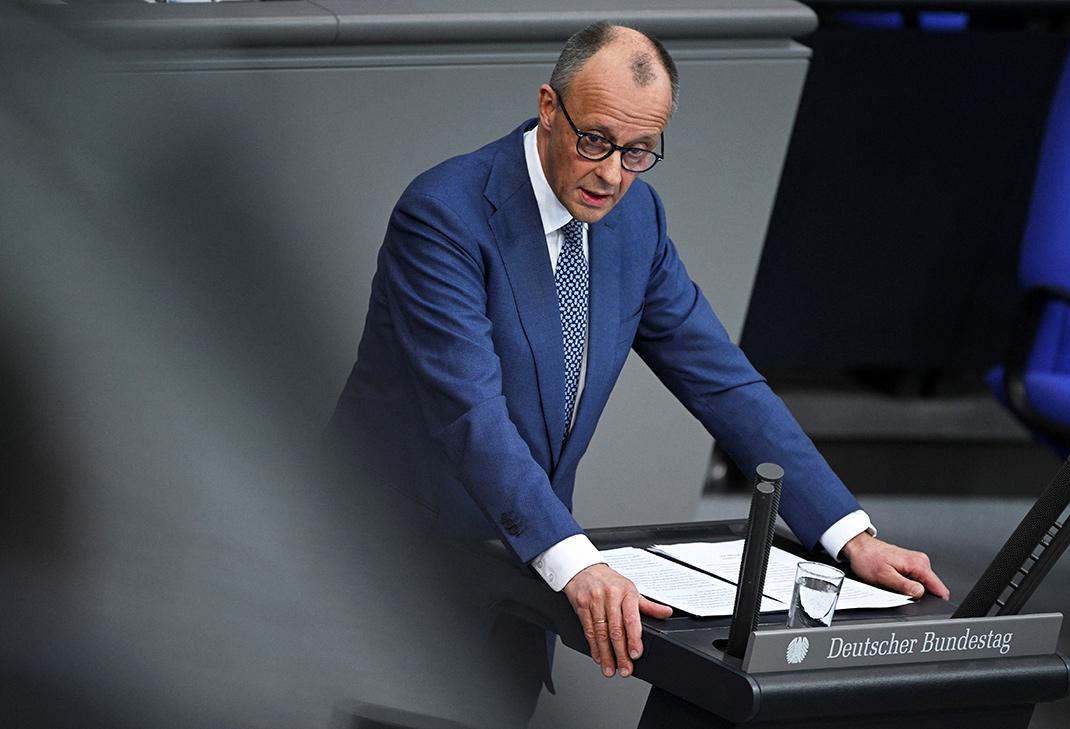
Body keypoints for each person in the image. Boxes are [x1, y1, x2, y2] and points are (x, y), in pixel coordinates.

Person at [331, 19, 948, 700]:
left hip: (519, 576)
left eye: (637, 151)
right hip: (384, 566)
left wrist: (848, 533)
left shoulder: (636, 220)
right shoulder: (444, 215)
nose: (610, 174)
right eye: (594, 140)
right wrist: (575, 562)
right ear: (548, 107)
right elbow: (470, 415)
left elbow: (725, 383)